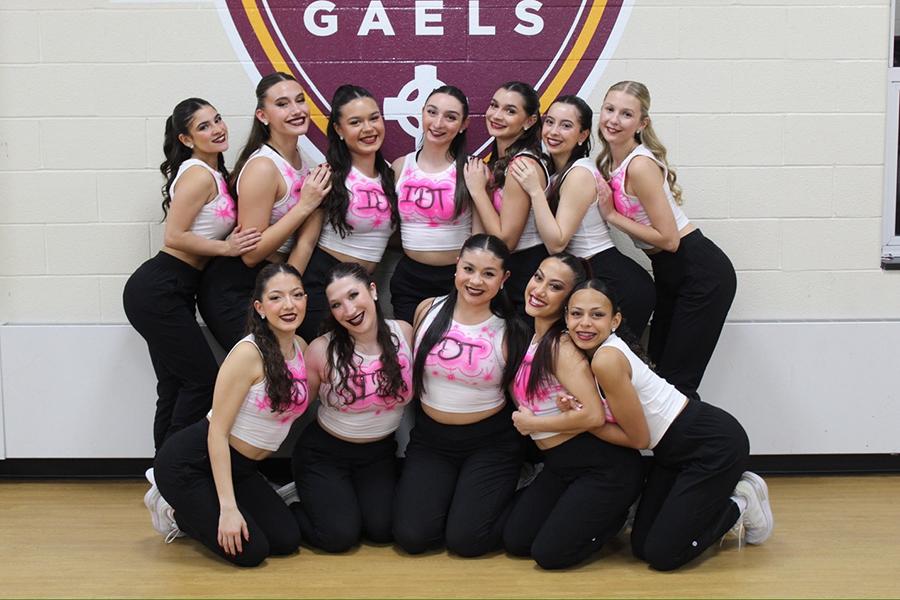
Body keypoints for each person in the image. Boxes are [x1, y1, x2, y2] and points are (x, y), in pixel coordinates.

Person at [564, 279, 773, 571]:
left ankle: (739, 504)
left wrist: (584, 422)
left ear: (615, 321)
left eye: (597, 315)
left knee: (664, 555)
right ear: (566, 318)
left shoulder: (606, 359)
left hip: (712, 446)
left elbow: (638, 439)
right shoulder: (594, 353)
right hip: (671, 454)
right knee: (641, 547)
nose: (584, 323)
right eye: (576, 314)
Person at [147, 264, 310, 567]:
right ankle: (176, 511)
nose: (289, 305)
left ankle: (201, 510)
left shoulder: (300, 348)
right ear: (260, 308)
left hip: (243, 468)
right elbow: (217, 433)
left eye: (297, 295)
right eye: (277, 298)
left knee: (286, 540)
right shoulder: (248, 354)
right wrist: (228, 508)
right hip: (191, 464)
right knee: (252, 553)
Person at [123, 97, 261, 452]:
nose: (217, 129)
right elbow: (175, 235)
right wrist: (228, 248)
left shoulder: (213, 172)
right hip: (159, 288)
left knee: (173, 385)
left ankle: (162, 475)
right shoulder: (197, 174)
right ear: (186, 139)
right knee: (201, 382)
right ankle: (175, 470)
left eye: (217, 120)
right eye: (204, 126)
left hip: (176, 289)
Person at [595, 80, 736, 400]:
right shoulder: (612, 162)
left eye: (626, 114)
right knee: (658, 374)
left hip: (699, 270)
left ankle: (692, 447)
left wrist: (612, 216)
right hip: (670, 272)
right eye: (609, 109)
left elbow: (670, 240)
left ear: (641, 123)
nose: (614, 120)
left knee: (676, 383)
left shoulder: (640, 165)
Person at [502, 254, 643, 569]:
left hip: (603, 469)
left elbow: (593, 416)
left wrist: (531, 423)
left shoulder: (561, 347)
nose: (538, 290)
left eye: (554, 287)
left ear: (567, 302)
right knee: (516, 541)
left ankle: (620, 512)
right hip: (561, 467)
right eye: (538, 277)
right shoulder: (533, 338)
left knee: (549, 555)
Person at [392, 234, 528, 557]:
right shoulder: (427, 309)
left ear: (504, 279)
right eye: (469, 269)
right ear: (456, 267)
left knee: (466, 542)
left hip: (489, 444)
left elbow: (522, 397)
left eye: (488, 274)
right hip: (431, 441)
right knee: (411, 537)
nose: (476, 281)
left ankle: (525, 492)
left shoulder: (510, 329)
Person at [199, 72, 331, 349]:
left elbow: (304, 241)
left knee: (284, 372)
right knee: (258, 371)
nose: (296, 110)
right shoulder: (263, 167)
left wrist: (288, 291)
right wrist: (305, 205)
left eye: (299, 100)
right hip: (236, 286)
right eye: (282, 104)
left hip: (274, 280)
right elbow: (251, 254)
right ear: (263, 115)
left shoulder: (302, 163)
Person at [289, 262, 414, 552]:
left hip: (378, 455)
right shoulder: (322, 349)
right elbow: (295, 406)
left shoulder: (404, 334)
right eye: (336, 304)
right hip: (325, 454)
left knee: (383, 531)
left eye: (353, 295)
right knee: (339, 538)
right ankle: (294, 503)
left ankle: (340, 500)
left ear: (372, 290)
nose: (349, 310)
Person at [509, 95, 656, 340]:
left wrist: (535, 190)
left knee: (612, 366)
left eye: (566, 125)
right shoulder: (557, 172)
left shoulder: (579, 173)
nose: (554, 132)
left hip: (614, 278)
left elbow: (557, 243)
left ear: (582, 135)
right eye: (550, 122)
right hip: (592, 274)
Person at [289, 84, 397, 342]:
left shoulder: (390, 176)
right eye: (355, 122)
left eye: (374, 118)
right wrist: (287, 293)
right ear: (339, 129)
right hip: (323, 284)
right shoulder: (328, 176)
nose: (369, 129)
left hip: (362, 288)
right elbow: (306, 242)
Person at [464, 81, 548, 318]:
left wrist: (478, 192)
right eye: (494, 106)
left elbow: (506, 241)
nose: (497, 115)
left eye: (510, 111)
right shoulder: (498, 161)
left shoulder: (521, 165)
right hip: (502, 269)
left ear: (530, 121)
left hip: (525, 271)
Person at [390, 85, 474, 324]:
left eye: (450, 117)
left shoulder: (471, 170)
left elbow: (480, 233)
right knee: (408, 352)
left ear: (463, 124)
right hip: (409, 279)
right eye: (432, 112)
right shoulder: (399, 167)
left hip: (456, 279)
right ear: (422, 113)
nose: (438, 123)